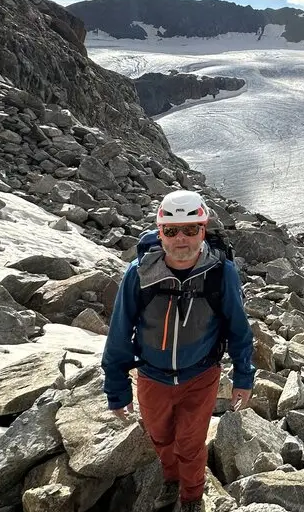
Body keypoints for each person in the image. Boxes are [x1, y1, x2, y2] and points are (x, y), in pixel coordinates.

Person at [102, 190, 255, 512]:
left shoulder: (220, 272)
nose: (181, 239)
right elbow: (118, 333)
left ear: (203, 230)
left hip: (200, 375)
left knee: (190, 443)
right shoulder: (140, 273)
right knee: (160, 438)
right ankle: (171, 479)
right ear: (160, 233)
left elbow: (238, 327)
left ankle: (191, 497)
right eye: (171, 231)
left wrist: (244, 375)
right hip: (152, 376)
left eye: (191, 229)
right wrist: (117, 390)